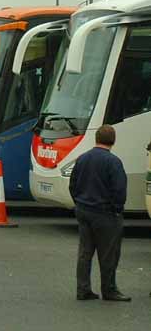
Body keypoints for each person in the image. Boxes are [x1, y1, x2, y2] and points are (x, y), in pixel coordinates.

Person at [70, 125, 130, 302]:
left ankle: (83, 289)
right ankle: (109, 290)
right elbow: (119, 190)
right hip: (105, 214)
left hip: (84, 210)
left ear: (96, 138)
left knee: (85, 253)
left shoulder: (82, 159)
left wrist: (79, 202)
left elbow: (73, 184)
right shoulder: (113, 162)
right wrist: (117, 209)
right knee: (108, 254)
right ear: (113, 140)